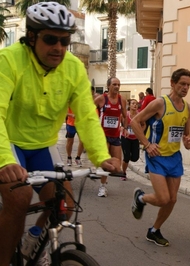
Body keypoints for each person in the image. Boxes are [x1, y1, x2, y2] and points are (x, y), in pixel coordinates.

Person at [0, 2, 120, 265]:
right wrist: (5, 160)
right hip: (10, 145)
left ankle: (35, 239)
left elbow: (87, 116)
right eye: (51, 39)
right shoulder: (8, 61)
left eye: (65, 41)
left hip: (43, 145)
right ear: (31, 38)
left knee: (64, 201)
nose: (59, 48)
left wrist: (101, 156)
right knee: (19, 198)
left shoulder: (74, 68)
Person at [130, 68, 190, 247]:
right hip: (156, 156)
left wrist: (188, 142)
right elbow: (134, 122)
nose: (185, 88)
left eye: (188, 85)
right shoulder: (160, 104)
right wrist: (146, 144)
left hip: (174, 158)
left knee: (172, 199)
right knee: (163, 198)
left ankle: (154, 230)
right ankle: (141, 198)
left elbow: (186, 135)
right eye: (182, 84)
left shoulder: (188, 108)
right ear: (172, 84)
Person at [95, 77, 126, 197]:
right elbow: (89, 111)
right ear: (108, 86)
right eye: (114, 84)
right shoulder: (102, 99)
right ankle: (102, 187)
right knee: (107, 161)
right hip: (103, 136)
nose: (117, 87)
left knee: (117, 167)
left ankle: (100, 168)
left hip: (115, 136)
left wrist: (125, 127)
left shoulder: (122, 100)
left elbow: (124, 115)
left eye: (119, 84)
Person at [120, 99, 144, 179]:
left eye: (136, 104)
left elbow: (144, 125)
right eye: (133, 103)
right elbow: (120, 124)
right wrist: (122, 128)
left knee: (135, 158)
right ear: (129, 105)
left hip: (135, 139)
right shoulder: (125, 115)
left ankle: (126, 157)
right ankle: (123, 173)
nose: (135, 105)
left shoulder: (139, 115)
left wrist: (140, 131)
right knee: (126, 157)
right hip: (125, 138)